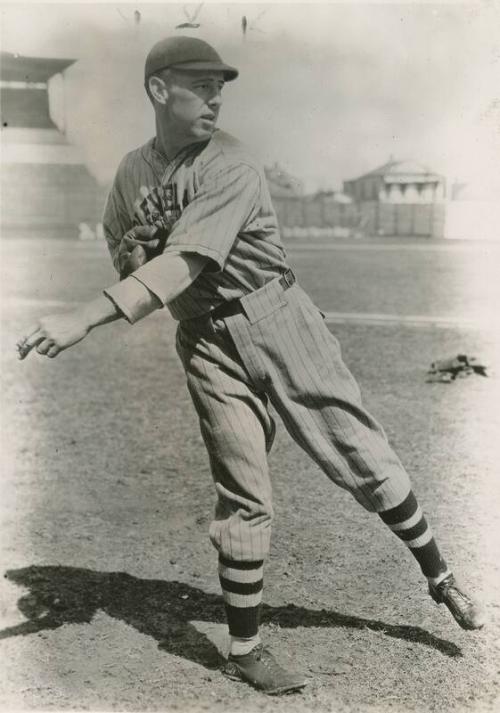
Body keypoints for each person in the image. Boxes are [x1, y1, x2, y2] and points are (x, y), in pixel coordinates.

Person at [17, 36, 486, 696]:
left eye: (220, 87)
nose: (215, 97)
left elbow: (186, 264)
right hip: (205, 339)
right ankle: (245, 646)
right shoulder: (130, 175)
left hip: (277, 316)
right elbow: (133, 259)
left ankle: (439, 575)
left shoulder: (231, 162)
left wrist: (83, 315)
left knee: (359, 455)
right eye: (200, 85)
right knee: (243, 488)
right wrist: (133, 252)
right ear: (159, 90)